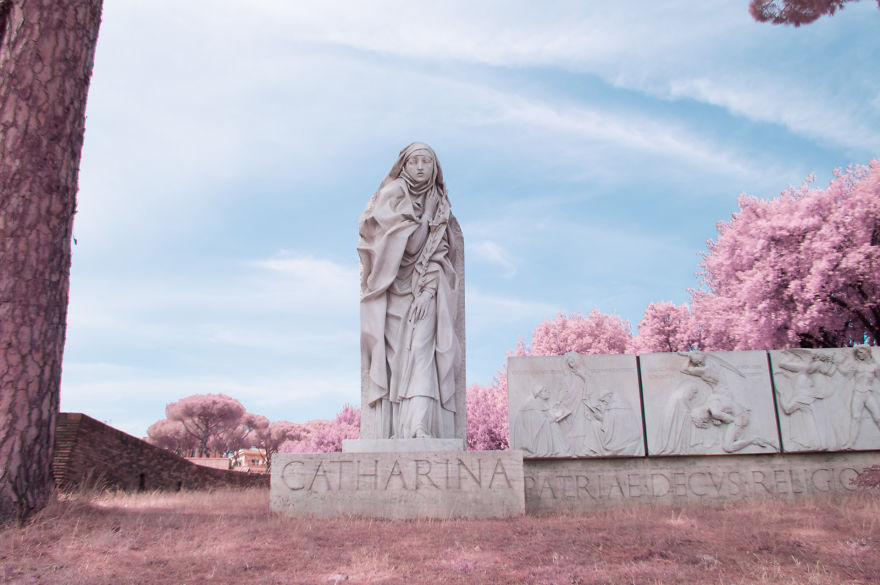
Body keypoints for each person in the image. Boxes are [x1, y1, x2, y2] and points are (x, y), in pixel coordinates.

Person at [358, 143, 463, 439]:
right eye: (415, 161)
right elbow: (411, 245)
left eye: (426, 162)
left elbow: (440, 253)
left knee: (422, 352)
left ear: (435, 168)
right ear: (404, 165)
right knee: (394, 366)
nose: (420, 167)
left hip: (427, 288)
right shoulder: (392, 195)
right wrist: (427, 214)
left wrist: (429, 290)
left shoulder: (441, 204)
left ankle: (419, 425)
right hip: (391, 290)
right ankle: (392, 429)